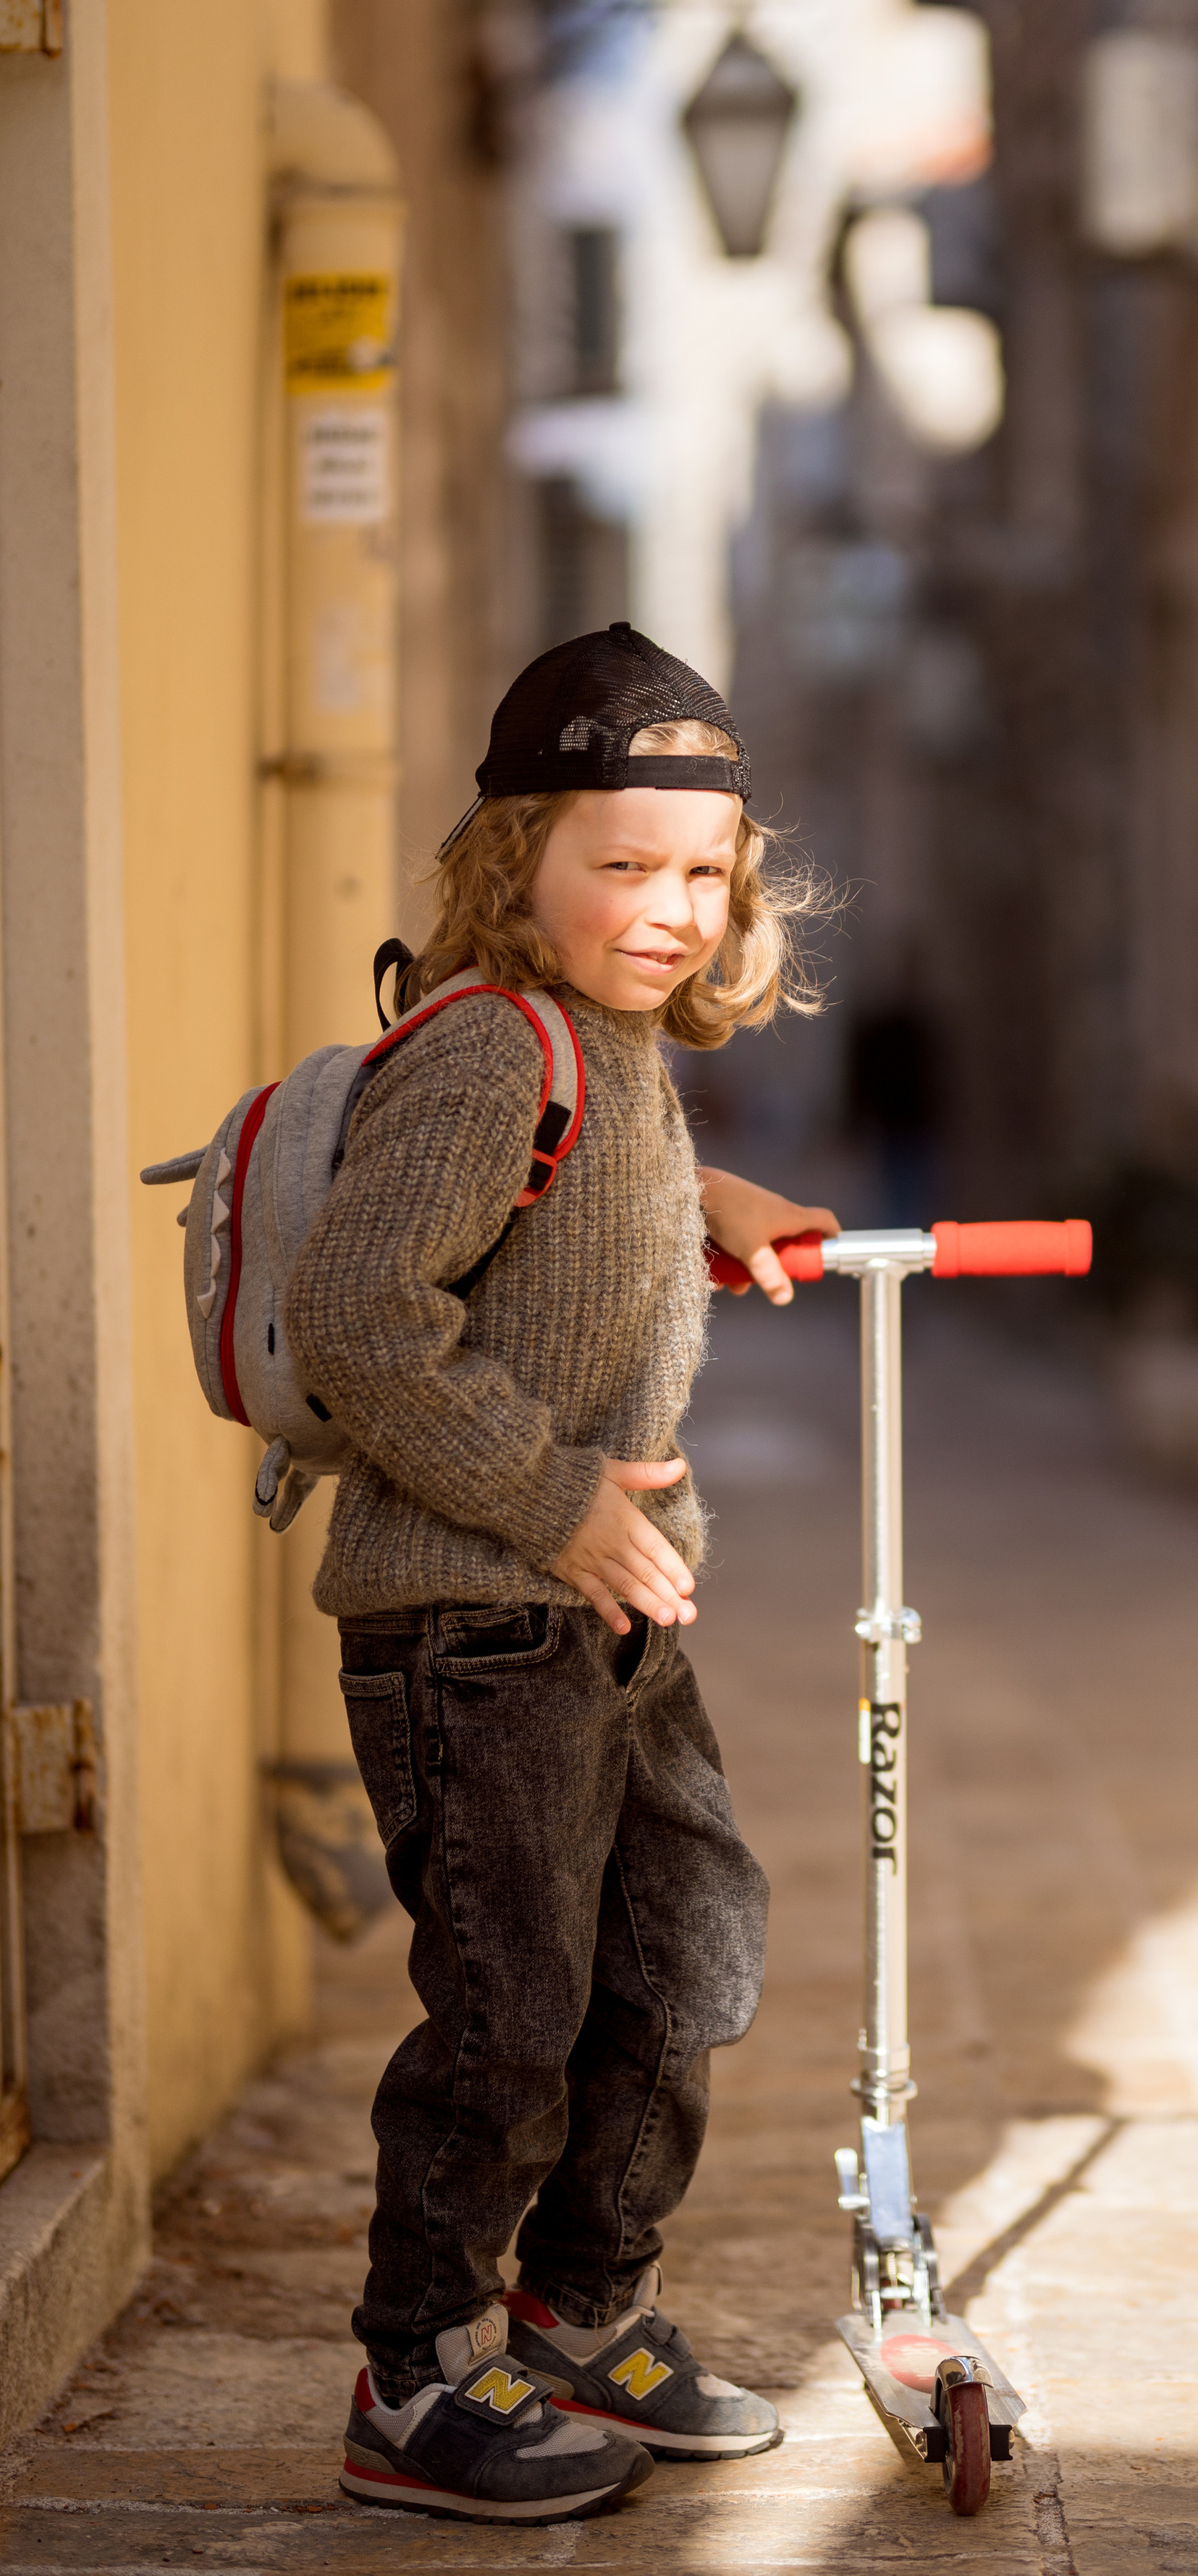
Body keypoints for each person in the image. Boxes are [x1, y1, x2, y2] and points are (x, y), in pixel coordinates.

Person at [285, 624, 836, 2525]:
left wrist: (713, 1204)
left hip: (602, 1609)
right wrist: (559, 1499)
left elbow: (577, 1207)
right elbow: (362, 1310)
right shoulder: (489, 1043)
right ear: (514, 860)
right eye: (623, 864)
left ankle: (584, 2311)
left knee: (680, 1955)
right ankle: (418, 2372)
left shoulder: (606, 1048)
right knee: (513, 2004)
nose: (672, 909)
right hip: (478, 1609)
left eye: (706, 872)